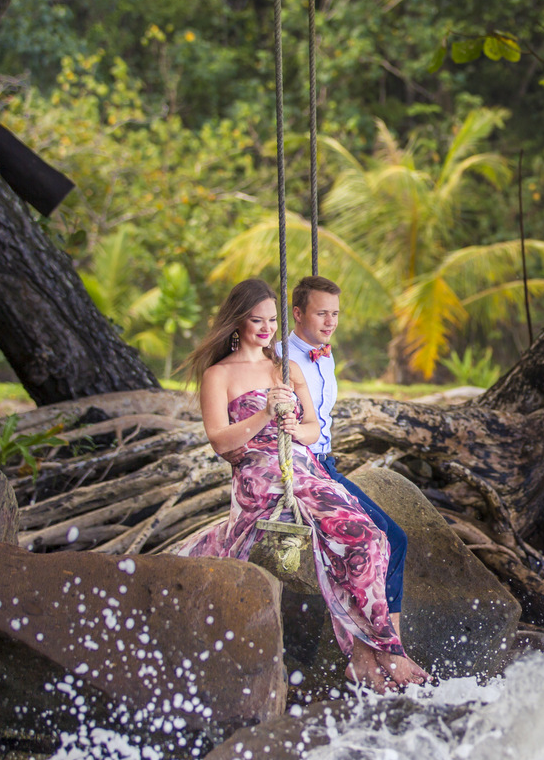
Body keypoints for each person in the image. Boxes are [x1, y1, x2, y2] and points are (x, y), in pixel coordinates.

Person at [172, 278, 428, 691]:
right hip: (259, 472)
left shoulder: (284, 367)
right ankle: (381, 649)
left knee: (371, 539)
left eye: (272, 320)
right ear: (237, 322)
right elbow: (220, 441)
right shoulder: (218, 375)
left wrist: (293, 425)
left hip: (300, 464)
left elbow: (312, 429)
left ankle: (369, 654)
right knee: (352, 536)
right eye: (257, 320)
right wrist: (264, 417)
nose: (266, 328)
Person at [279, 275, 411, 646]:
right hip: (303, 469)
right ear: (298, 313)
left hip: (328, 464)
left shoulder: (326, 353)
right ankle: (384, 646)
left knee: (395, 539)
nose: (330, 322)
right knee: (382, 539)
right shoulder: (278, 359)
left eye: (335, 313)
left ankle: (390, 642)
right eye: (322, 313)